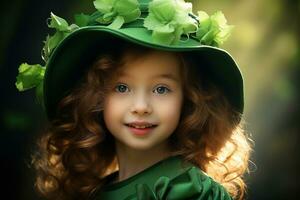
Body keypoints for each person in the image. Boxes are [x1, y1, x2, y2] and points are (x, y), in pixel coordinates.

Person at [15, 0, 253, 199]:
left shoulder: (188, 190)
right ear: (93, 97)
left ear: (190, 99)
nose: (141, 107)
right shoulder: (94, 193)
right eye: (121, 87)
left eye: (161, 89)